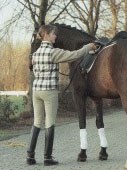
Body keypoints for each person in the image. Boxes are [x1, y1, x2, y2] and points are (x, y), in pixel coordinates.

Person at [26, 24, 96, 166]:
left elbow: (33, 67)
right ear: (45, 35)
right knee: (50, 123)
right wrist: (88, 47)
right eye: (53, 34)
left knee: (37, 122)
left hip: (36, 91)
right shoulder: (54, 52)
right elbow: (74, 55)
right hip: (49, 92)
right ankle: (47, 157)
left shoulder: (36, 54)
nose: (55, 36)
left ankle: (30, 156)